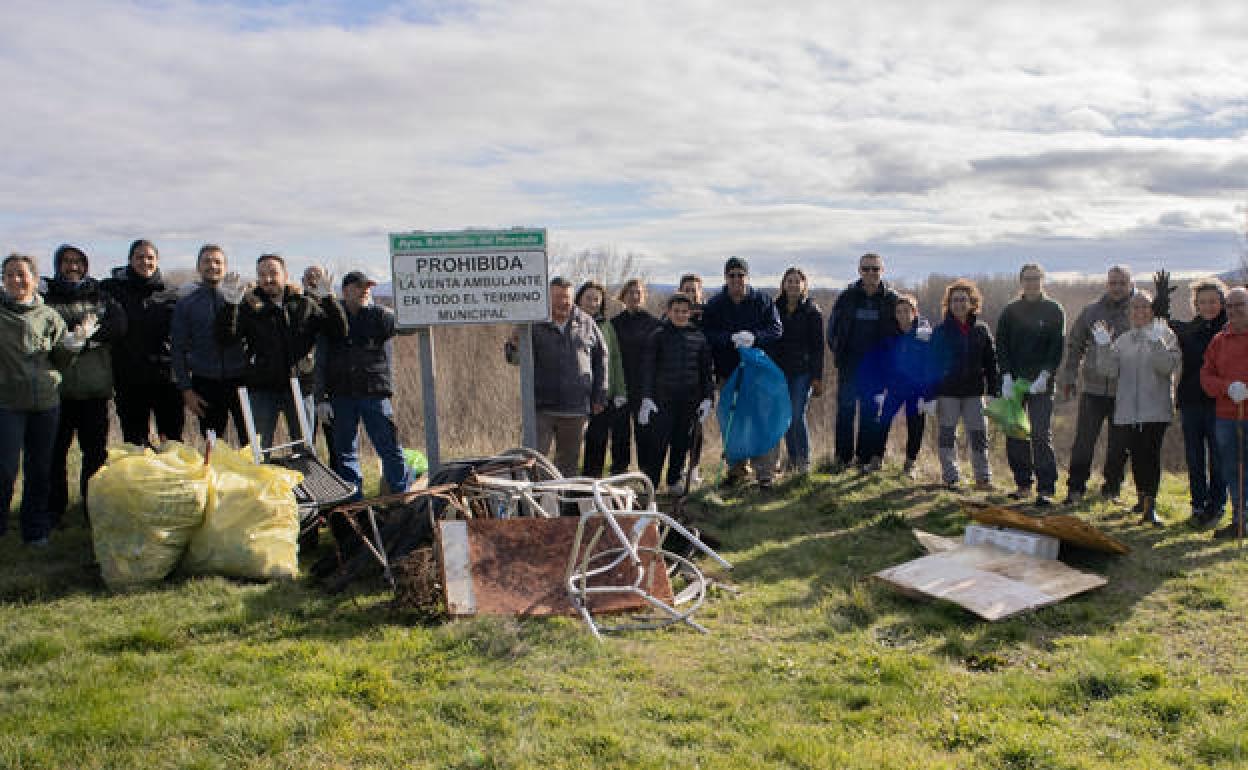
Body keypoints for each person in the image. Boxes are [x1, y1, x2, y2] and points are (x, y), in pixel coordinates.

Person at [218, 254, 346, 449]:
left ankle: (305, 480)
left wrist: (329, 299)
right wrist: (230, 306)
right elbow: (226, 339)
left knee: (304, 450)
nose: (268, 279)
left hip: (300, 388)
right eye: (262, 274)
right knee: (260, 450)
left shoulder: (304, 304)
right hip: (262, 389)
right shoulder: (249, 307)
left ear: (285, 275)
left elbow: (339, 332)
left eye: (273, 273)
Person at [1, 254, 84, 545]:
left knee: (40, 470)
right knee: (5, 469)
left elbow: (60, 360)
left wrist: (73, 345)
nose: (16, 280)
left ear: (35, 280)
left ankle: (35, 531)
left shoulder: (49, 317)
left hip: (45, 404)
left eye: (22, 275)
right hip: (7, 403)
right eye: (9, 275)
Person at [41, 244, 126, 526]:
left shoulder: (101, 297)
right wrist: (69, 338)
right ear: (58, 265)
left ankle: (91, 508)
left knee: (94, 455)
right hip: (58, 391)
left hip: (94, 388)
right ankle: (54, 509)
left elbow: (118, 325)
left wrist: (87, 339)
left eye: (78, 261)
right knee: (56, 454)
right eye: (66, 262)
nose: (72, 266)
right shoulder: (47, 297)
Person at [318, 271, 412, 498]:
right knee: (345, 452)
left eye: (367, 287)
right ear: (346, 290)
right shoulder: (330, 317)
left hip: (375, 394)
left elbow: (407, 326)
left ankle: (401, 497)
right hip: (341, 395)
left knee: (390, 448)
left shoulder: (379, 316)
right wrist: (320, 398)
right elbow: (320, 360)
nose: (365, 291)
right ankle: (355, 503)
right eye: (359, 287)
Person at [1092, 291, 1180, 525]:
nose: (1140, 312)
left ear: (1152, 310)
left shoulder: (1166, 335)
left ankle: (1151, 508)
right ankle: (1142, 499)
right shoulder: (1124, 340)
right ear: (1129, 312)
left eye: (1145, 307)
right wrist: (1103, 346)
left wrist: (1156, 342)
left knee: (1150, 456)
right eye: (1135, 308)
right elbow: (1108, 371)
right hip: (1128, 410)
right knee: (1137, 457)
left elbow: (1166, 368)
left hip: (1155, 409)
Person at [506, 276, 607, 477]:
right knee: (532, 461)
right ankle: (535, 504)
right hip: (541, 407)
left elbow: (602, 358)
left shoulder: (586, 322)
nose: (564, 302)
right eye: (559, 297)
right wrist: (514, 343)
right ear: (546, 299)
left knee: (568, 465)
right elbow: (514, 359)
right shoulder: (533, 323)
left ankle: (560, 505)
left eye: (567, 297)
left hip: (576, 408)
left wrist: (600, 395)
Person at [1154, 272, 1228, 527]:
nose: (1208, 306)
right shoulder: (1189, 330)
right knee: (1195, 458)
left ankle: (1216, 507)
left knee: (1219, 459)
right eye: (1203, 301)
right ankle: (1198, 506)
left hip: (1220, 404)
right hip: (1191, 403)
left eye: (1213, 301)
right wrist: (1161, 298)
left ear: (1223, 302)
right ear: (1195, 304)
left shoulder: (1229, 330)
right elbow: (1163, 322)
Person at [702, 256, 783, 487]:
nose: (737, 279)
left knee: (762, 420)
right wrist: (728, 339)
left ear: (747, 277)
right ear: (726, 277)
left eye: (741, 275)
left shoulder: (762, 301)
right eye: (732, 275)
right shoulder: (716, 304)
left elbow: (776, 329)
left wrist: (755, 337)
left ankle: (765, 473)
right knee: (733, 421)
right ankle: (737, 469)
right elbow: (706, 334)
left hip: (758, 372)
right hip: (728, 372)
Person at [1058, 266, 1134, 504]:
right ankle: (1075, 488)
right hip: (1093, 388)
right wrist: (1069, 376)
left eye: (1122, 283)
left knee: (1119, 444)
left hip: (1124, 390)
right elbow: (1075, 345)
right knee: (1084, 441)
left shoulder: (1140, 310)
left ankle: (1112, 489)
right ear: (1107, 284)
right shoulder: (1091, 311)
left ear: (1130, 284)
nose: (1118, 287)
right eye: (1113, 283)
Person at [995, 264, 1065, 506]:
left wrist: (1045, 375)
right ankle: (1023, 483)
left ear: (1042, 280)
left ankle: (1046, 487)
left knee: (1040, 434)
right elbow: (1001, 345)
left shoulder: (1054, 310)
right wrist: (1005, 376)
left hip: (1041, 384)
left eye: (1036, 279)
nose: (1032, 283)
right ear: (1021, 282)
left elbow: (1056, 347)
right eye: (1028, 279)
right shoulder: (1011, 311)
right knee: (1015, 432)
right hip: (1014, 383)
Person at [103, 239, 183, 445]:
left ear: (157, 261)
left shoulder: (171, 292)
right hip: (130, 379)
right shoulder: (113, 289)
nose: (145, 262)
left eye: (150, 257)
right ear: (130, 260)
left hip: (166, 379)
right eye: (139, 257)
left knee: (172, 441)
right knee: (135, 442)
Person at [827, 252, 900, 472]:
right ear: (859, 271)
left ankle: (865, 460)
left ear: (882, 271)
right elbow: (832, 330)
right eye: (866, 269)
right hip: (850, 366)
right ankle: (842, 459)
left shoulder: (891, 299)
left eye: (875, 269)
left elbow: (904, 327)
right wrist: (838, 352)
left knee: (870, 413)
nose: (871, 273)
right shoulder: (847, 297)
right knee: (846, 412)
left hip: (877, 369)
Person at [171, 244, 248, 445]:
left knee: (250, 441)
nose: (212, 266)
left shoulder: (240, 299)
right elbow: (177, 348)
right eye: (207, 261)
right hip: (205, 382)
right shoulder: (186, 304)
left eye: (217, 262)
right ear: (198, 266)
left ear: (225, 267)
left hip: (240, 380)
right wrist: (186, 389)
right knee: (212, 444)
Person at [637, 294, 714, 492]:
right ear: (668, 312)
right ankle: (651, 484)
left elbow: (706, 372)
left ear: (690, 313)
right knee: (658, 444)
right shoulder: (658, 335)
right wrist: (646, 397)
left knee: (681, 443)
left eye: (684, 312)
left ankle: (673, 481)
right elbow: (648, 369)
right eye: (676, 311)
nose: (680, 315)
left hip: (689, 401)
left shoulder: (699, 337)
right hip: (662, 401)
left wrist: (707, 398)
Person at [929, 279, 999, 490]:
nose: (959, 304)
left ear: (972, 303)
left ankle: (983, 479)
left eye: (963, 300)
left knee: (979, 436)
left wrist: (993, 391)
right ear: (948, 304)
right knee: (947, 436)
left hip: (974, 393)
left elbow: (991, 362)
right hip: (947, 393)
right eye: (954, 300)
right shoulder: (941, 331)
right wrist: (930, 396)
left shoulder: (981, 330)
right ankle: (951, 478)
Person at [763, 267, 824, 475]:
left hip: (802, 371)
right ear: (783, 284)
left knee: (797, 415)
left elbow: (818, 347)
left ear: (804, 285)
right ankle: (792, 460)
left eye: (797, 281)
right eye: (789, 281)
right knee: (786, 417)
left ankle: (804, 460)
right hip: (779, 371)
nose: (793, 285)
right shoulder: (773, 308)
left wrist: (817, 377)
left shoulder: (812, 311)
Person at [869, 293, 936, 478]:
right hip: (894, 388)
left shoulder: (924, 335)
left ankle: (910, 464)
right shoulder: (890, 335)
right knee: (882, 421)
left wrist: (929, 393)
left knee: (916, 427)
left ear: (915, 313)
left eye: (907, 311)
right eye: (899, 311)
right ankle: (876, 459)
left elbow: (931, 364)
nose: (902, 315)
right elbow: (883, 363)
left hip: (917, 390)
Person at [1200, 286, 1248, 540]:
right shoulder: (1219, 340)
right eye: (1229, 306)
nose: (1234, 311)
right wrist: (1227, 387)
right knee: (1233, 469)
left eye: (1240, 305)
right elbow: (1206, 377)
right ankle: (1240, 520)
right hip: (1227, 416)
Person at [609, 279, 660, 474]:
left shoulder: (654, 324)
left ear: (643, 296)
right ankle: (619, 474)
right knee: (620, 435)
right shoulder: (614, 324)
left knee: (645, 434)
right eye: (630, 292)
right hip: (621, 387)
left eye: (638, 292)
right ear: (623, 296)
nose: (634, 296)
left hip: (645, 388)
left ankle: (646, 476)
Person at [576, 280, 627, 477]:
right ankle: (571, 486)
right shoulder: (571, 322)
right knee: (573, 445)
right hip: (576, 394)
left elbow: (615, 358)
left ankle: (593, 483)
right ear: (579, 299)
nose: (592, 302)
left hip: (601, 394)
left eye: (597, 299)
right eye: (588, 298)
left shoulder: (607, 326)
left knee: (598, 441)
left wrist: (620, 391)